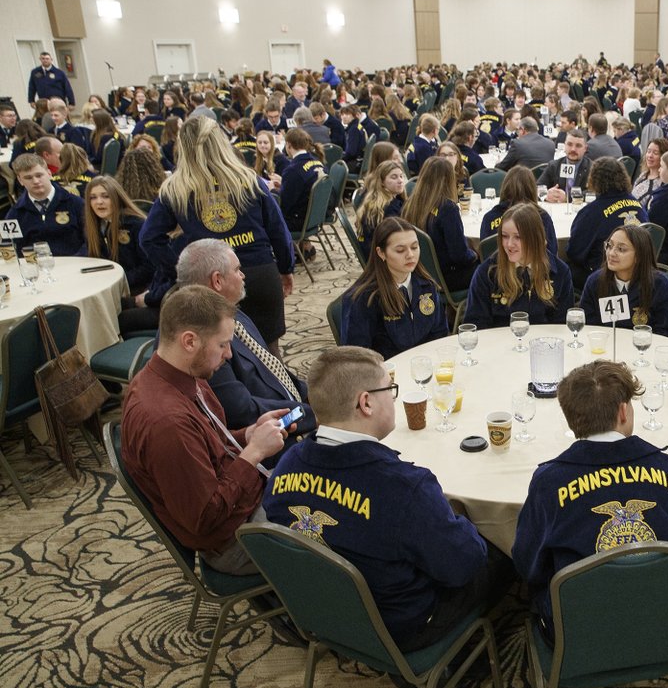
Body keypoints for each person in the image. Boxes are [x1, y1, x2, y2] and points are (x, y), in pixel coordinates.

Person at [264, 345, 511, 651]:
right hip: (398, 627)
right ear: (366, 403)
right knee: (501, 552)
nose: (394, 398)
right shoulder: (404, 488)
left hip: (321, 612)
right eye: (390, 389)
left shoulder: (286, 464)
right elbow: (464, 565)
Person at [512, 359, 668, 634]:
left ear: (570, 419)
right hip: (664, 618)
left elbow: (528, 563)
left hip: (580, 631)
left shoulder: (549, 483)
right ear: (623, 411)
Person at [122, 286, 288, 575]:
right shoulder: (167, 423)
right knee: (343, 528)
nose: (228, 355)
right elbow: (206, 517)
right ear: (190, 341)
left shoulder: (181, 374)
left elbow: (208, 447)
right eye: (222, 345)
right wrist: (254, 453)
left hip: (245, 504)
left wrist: (247, 435)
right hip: (233, 539)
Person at [140, 117, 295, 352]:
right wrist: (285, 268)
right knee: (269, 358)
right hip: (259, 274)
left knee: (215, 359)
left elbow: (149, 239)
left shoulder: (176, 188)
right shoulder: (248, 179)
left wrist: (183, 273)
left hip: (209, 282)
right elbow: (279, 231)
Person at [175, 239, 315, 449]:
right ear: (217, 280)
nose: (243, 275)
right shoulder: (202, 340)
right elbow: (241, 410)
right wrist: (310, 414)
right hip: (269, 441)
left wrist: (311, 395)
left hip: (289, 417)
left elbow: (271, 369)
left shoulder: (233, 313)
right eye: (237, 270)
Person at [342, 217, 447, 358]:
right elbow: (356, 358)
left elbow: (440, 334)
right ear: (381, 253)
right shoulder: (364, 298)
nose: (410, 255)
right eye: (400, 250)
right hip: (385, 370)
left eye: (414, 247)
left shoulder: (427, 285)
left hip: (426, 365)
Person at [463, 203, 572, 329]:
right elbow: (475, 326)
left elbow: (563, 327)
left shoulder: (560, 272)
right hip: (499, 340)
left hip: (544, 340)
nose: (509, 244)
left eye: (518, 237)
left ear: (535, 238)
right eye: (505, 236)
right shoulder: (487, 273)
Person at [580, 225, 668, 338]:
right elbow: (587, 327)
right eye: (609, 246)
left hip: (644, 347)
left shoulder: (661, 286)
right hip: (604, 346)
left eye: (621, 249)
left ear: (639, 255)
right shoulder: (595, 281)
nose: (611, 253)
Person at [565, 156, 646, 287]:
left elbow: (574, 252)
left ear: (594, 179)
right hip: (639, 272)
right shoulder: (637, 204)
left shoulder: (591, 212)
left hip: (605, 276)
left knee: (562, 269)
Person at [401, 156, 479, 292]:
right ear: (447, 180)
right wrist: (475, 254)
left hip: (421, 272)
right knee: (491, 267)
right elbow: (459, 256)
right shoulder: (447, 208)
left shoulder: (411, 204)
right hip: (446, 277)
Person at [80, 176, 153, 296]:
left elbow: (148, 268)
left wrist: (116, 282)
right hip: (106, 287)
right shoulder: (93, 225)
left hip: (135, 289)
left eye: (105, 196)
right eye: (93, 197)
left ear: (117, 198)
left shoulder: (135, 224)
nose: (99, 202)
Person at [6, 153, 85, 256]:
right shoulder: (15, 214)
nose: (35, 181)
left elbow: (92, 241)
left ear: (49, 173)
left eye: (39, 175)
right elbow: (10, 249)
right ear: (20, 180)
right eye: (28, 178)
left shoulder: (76, 204)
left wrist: (78, 260)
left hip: (75, 262)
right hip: (35, 264)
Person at [277, 128, 326, 239]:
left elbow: (285, 205)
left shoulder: (293, 170)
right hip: (315, 217)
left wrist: (273, 191)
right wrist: (283, 183)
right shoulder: (318, 162)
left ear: (288, 145)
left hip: (299, 221)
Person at [354, 160, 407, 260]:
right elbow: (396, 239)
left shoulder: (379, 200)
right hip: (381, 259)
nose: (400, 180)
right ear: (382, 182)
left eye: (401, 176)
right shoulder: (388, 208)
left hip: (376, 253)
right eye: (394, 177)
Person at [539, 128, 593, 202]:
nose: (573, 149)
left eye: (578, 146)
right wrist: (546, 196)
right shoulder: (554, 165)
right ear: (565, 145)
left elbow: (595, 193)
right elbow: (537, 188)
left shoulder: (592, 168)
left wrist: (568, 197)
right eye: (569, 144)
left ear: (585, 149)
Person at [631, 138, 668, 203]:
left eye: (655, 153)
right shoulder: (643, 175)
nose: (650, 156)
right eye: (648, 151)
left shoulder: (663, 183)